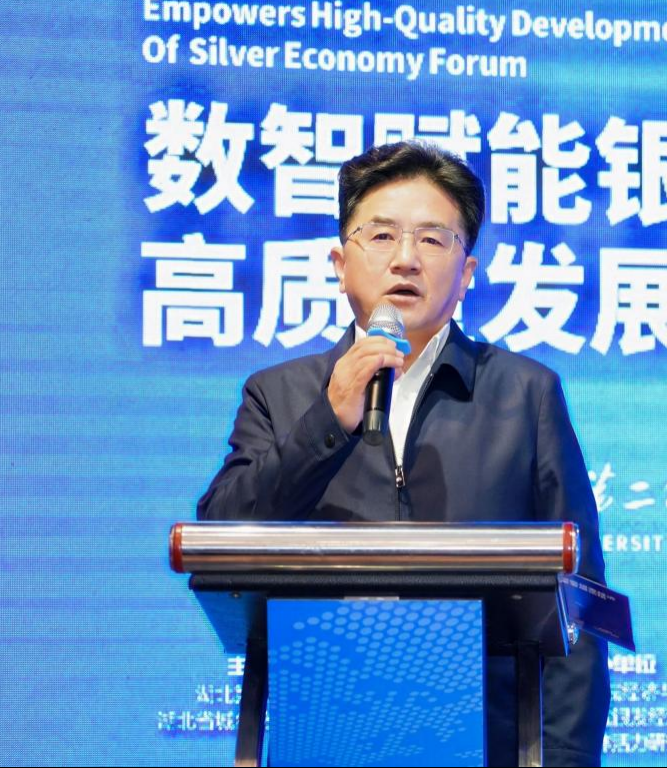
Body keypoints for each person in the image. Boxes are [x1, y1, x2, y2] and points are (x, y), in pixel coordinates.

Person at [197, 140, 610, 766]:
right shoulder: (278, 396)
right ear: (340, 263)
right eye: (383, 236)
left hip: (493, 746)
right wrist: (327, 421)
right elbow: (222, 537)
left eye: (433, 239)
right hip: (325, 743)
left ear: (466, 273)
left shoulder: (525, 395)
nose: (406, 259)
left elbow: (580, 604)